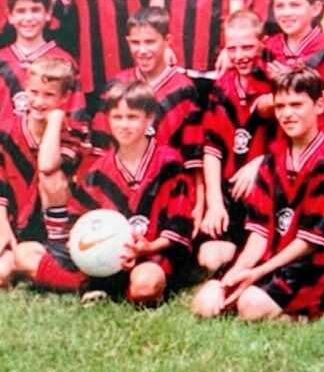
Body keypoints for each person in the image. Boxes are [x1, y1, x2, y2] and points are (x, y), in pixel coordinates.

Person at [192, 68, 324, 321]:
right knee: (205, 304)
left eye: (296, 104)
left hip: (319, 261)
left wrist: (258, 273)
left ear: (319, 106)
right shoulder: (273, 159)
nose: (287, 114)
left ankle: (305, 316)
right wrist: (237, 272)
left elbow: (311, 241)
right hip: (276, 256)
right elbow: (259, 231)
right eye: (281, 106)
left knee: (250, 306)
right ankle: (274, 303)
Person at [14, 79, 194, 305]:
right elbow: (77, 220)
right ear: (108, 120)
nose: (124, 125)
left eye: (132, 117)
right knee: (23, 255)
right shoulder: (99, 169)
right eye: (117, 117)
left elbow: (179, 225)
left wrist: (146, 248)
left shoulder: (169, 162)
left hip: (147, 254)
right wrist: (81, 245)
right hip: (101, 260)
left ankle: (112, 291)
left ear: (149, 118)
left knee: (145, 285)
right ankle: (92, 286)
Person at [0, 56, 87, 288]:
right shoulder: (6, 131)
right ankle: (63, 278)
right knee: (0, 275)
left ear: (65, 98)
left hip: (60, 230)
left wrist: (56, 120)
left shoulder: (73, 132)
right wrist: (3, 231)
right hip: (16, 224)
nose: (39, 101)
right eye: (33, 92)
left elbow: (47, 166)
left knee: (51, 176)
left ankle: (60, 259)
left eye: (49, 95)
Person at [196, 10, 276, 275]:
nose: (240, 55)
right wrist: (215, 203)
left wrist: (259, 163)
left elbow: (290, 141)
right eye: (232, 48)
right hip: (230, 190)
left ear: (262, 42)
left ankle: (251, 259)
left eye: (248, 47)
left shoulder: (274, 83)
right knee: (210, 258)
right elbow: (212, 149)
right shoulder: (222, 88)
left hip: (266, 187)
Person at [89, 7, 203, 189]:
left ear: (167, 41)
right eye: (135, 43)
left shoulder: (183, 89)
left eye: (150, 42)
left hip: (167, 186)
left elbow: (193, 153)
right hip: (119, 186)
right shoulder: (116, 86)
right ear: (127, 42)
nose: (142, 50)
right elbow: (100, 146)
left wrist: (199, 201)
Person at [0, 0, 87, 133]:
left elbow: (75, 115)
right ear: (10, 16)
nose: (28, 18)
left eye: (35, 10)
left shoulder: (64, 61)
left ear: (48, 14)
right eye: (21, 11)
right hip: (5, 152)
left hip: (48, 150)